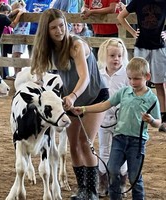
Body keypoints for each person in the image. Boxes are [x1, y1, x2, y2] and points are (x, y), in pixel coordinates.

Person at [30, 8, 109, 200]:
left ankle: (92, 191)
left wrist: (73, 96)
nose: (59, 31)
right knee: (73, 144)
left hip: (93, 96)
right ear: (46, 31)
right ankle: (82, 189)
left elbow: (85, 77)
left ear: (66, 24)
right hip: (70, 99)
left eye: (61, 25)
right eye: (53, 28)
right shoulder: (47, 48)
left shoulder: (76, 45)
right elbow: (38, 72)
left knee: (85, 142)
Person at [73, 57, 161, 200]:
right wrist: (84, 109)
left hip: (137, 142)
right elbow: (105, 104)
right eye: (130, 78)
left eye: (137, 79)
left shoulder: (152, 99)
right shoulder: (124, 92)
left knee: (134, 177)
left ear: (147, 77)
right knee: (112, 171)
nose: (132, 82)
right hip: (119, 138)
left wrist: (151, 120)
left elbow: (158, 122)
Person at [117, 0, 166, 132]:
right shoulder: (138, 1)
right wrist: (133, 32)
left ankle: (163, 119)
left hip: (159, 46)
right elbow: (120, 16)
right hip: (142, 46)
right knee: (135, 80)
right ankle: (131, 114)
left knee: (159, 83)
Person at [97, 38, 129, 197]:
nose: (116, 59)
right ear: (105, 56)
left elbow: (131, 95)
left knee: (121, 150)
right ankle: (102, 182)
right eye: (112, 55)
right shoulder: (99, 74)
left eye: (119, 56)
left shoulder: (126, 75)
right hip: (102, 119)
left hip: (122, 121)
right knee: (103, 148)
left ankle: (122, 182)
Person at [6, 0, 30, 79]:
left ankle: (18, 74)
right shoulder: (24, 13)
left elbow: (10, 17)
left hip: (19, 37)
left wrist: (17, 12)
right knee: (16, 55)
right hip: (19, 37)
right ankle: (17, 74)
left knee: (16, 56)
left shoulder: (21, 14)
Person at [0, 2, 23, 78]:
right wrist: (19, 15)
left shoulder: (1, 16)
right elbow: (13, 25)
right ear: (6, 12)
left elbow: (7, 16)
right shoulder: (3, 18)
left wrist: (14, 11)